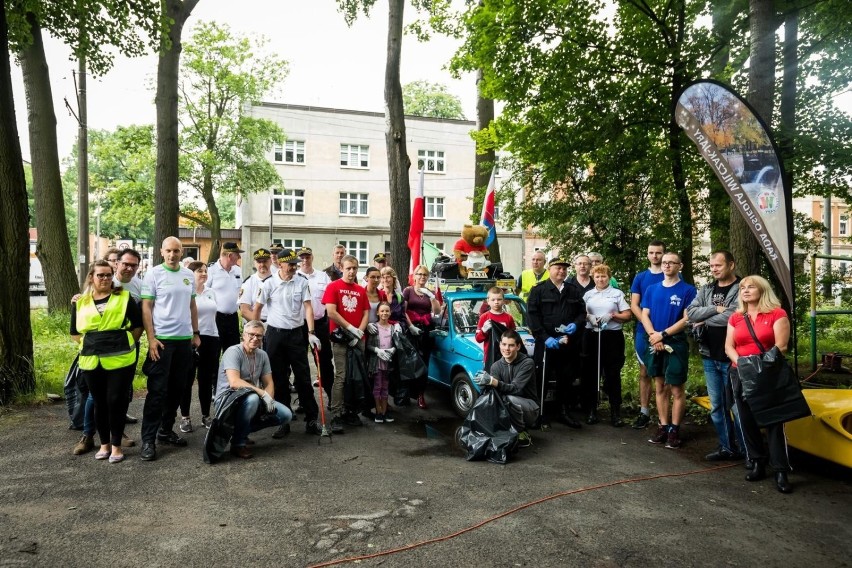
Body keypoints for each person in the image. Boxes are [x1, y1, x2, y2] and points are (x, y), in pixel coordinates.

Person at [724, 275, 794, 493]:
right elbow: (729, 347)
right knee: (746, 420)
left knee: (774, 422)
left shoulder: (777, 313)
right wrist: (742, 365)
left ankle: (781, 469)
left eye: (750, 287)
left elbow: (781, 347)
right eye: (742, 287)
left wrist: (756, 366)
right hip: (740, 373)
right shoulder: (736, 317)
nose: (745, 290)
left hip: (768, 374)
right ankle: (757, 462)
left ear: (762, 290)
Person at [70, 261, 143, 463]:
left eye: (109, 275)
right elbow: (75, 333)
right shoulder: (80, 302)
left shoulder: (124, 297)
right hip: (91, 359)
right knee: (99, 402)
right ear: (91, 277)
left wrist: (122, 341)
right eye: (101, 275)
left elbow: (137, 326)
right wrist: (92, 343)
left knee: (115, 401)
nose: (105, 279)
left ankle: (117, 445)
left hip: (120, 357)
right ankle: (104, 444)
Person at [139, 237, 201, 461]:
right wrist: (151, 338)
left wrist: (195, 333)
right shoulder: (154, 274)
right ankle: (148, 439)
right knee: (157, 392)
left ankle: (165, 430)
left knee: (178, 389)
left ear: (181, 251)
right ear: (161, 251)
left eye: (176, 251)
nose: (172, 255)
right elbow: (147, 306)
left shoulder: (187, 275)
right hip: (162, 341)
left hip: (184, 341)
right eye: (168, 251)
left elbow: (192, 304)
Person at [251, 249, 323, 436]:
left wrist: (311, 332)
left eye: (295, 263)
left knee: (303, 377)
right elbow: (257, 308)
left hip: (296, 334)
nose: (294, 266)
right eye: (290, 264)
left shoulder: (302, 282)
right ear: (280, 264)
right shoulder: (269, 283)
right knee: (279, 379)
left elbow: (308, 307)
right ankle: (284, 420)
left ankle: (312, 418)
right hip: (275, 335)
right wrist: (256, 333)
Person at [686, 250, 745, 461]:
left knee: (737, 407)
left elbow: (735, 317)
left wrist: (704, 318)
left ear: (731, 265)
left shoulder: (742, 288)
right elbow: (691, 313)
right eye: (711, 266)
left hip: (733, 358)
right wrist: (716, 309)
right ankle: (727, 447)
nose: (714, 269)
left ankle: (748, 451)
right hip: (709, 355)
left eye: (718, 265)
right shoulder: (707, 289)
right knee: (717, 406)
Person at [214, 320, 294, 459]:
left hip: (253, 397)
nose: (255, 338)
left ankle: (239, 431)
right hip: (227, 401)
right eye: (251, 334)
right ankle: (238, 444)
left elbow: (269, 382)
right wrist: (262, 393)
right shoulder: (233, 352)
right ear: (243, 335)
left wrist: (268, 399)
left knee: (286, 414)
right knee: (252, 399)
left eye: (259, 336)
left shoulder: (262, 355)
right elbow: (234, 382)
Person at [641, 252, 696, 449]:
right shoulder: (651, 289)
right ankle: (663, 426)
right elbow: (644, 314)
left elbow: (687, 318)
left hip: (676, 343)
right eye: (664, 262)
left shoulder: (688, 290)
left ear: (679, 266)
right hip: (654, 341)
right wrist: (652, 335)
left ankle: (674, 429)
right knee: (660, 386)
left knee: (676, 388)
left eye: (671, 263)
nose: (666, 266)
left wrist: (662, 334)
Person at [526, 257, 587, 428]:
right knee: (542, 378)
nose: (562, 271)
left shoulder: (572, 290)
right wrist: (545, 338)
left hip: (567, 343)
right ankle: (539, 413)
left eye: (564, 269)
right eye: (558, 268)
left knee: (565, 378)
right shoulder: (539, 290)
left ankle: (563, 412)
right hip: (546, 343)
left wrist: (576, 324)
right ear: (550, 269)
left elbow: (582, 313)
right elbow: (532, 317)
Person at [323, 254, 370, 432]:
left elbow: (366, 313)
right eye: (348, 268)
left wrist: (359, 333)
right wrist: (351, 329)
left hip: (358, 339)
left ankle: (351, 410)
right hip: (341, 338)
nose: (351, 271)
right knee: (341, 376)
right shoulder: (333, 286)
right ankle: (336, 413)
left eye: (354, 268)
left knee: (356, 376)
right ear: (341, 268)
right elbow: (331, 312)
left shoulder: (360, 289)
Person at [581, 264, 631, 426]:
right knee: (591, 374)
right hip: (592, 336)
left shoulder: (616, 294)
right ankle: (591, 411)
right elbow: (581, 313)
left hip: (612, 337)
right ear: (592, 278)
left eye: (603, 276)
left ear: (609, 278)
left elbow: (628, 315)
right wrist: (589, 317)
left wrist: (613, 315)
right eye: (597, 276)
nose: (600, 279)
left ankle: (615, 413)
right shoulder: (588, 294)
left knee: (612, 375)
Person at [475, 330, 539, 447]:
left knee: (508, 398)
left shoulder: (527, 363)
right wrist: (483, 386)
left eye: (511, 345)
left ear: (518, 346)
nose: (507, 349)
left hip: (529, 408)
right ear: (499, 345)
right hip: (507, 405)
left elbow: (516, 389)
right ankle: (505, 431)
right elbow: (494, 392)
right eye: (504, 344)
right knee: (489, 399)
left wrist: (493, 382)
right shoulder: (496, 366)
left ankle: (521, 432)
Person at [179, 261, 220, 432]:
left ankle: (206, 415)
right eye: (199, 271)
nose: (204, 274)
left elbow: (214, 315)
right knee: (187, 380)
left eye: (205, 271)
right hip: (191, 338)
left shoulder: (211, 292)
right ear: (190, 274)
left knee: (205, 379)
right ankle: (185, 417)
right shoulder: (185, 292)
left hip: (211, 338)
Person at [630, 240, 666, 429]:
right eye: (651, 252)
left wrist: (662, 331)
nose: (655, 256)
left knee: (664, 373)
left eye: (658, 253)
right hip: (644, 331)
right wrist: (648, 327)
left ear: (664, 254)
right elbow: (635, 305)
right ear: (647, 254)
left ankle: (665, 416)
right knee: (645, 371)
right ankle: (644, 411)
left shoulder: (674, 275)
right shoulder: (641, 277)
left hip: (667, 332)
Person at [297, 246, 334, 401]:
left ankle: (332, 397)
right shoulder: (294, 276)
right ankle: (304, 400)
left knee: (325, 361)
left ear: (312, 257)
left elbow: (331, 298)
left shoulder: (323, 276)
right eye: (302, 257)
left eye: (308, 257)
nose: (305, 260)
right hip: (298, 326)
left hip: (319, 324)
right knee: (300, 364)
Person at [404, 265, 441, 409]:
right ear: (414, 276)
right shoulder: (408, 291)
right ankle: (407, 393)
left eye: (425, 275)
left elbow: (437, 312)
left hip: (426, 330)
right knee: (410, 362)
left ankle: (421, 394)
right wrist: (410, 326)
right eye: (419, 274)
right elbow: (403, 310)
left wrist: (432, 297)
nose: (422, 277)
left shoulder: (429, 292)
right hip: (411, 329)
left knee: (424, 363)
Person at [115, 248, 144, 428]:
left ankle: (121, 415)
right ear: (117, 263)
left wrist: (133, 341)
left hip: (131, 342)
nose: (129, 268)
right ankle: (90, 428)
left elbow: (142, 316)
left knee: (126, 383)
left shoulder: (139, 286)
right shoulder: (105, 281)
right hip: (107, 344)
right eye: (125, 264)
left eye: (134, 265)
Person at [365, 302, 400, 423]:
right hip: (377, 363)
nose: (384, 313)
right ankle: (378, 411)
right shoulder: (374, 327)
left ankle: (385, 411)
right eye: (382, 311)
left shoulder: (393, 328)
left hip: (388, 363)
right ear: (377, 312)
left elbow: (396, 344)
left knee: (386, 387)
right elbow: (368, 345)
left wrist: (393, 350)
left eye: (387, 311)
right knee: (377, 386)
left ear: (390, 313)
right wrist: (377, 350)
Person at [207, 241, 244, 353]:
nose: (239, 257)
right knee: (215, 351)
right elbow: (204, 293)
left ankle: (231, 371)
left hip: (233, 317)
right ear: (229, 255)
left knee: (233, 351)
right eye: (237, 254)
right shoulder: (211, 270)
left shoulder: (237, 270)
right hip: (216, 318)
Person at [475, 286, 516, 368]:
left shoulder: (508, 318)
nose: (496, 302)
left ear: (504, 300)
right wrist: (483, 330)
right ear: (488, 301)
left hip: (507, 356)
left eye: (499, 299)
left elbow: (514, 337)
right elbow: (478, 339)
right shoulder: (484, 317)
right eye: (493, 300)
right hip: (490, 356)